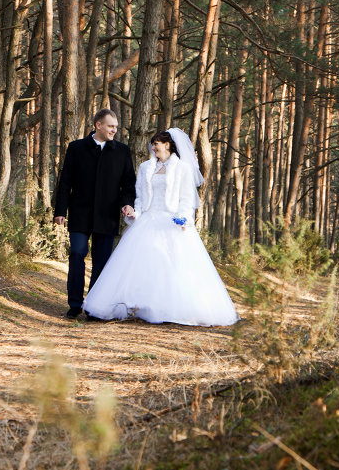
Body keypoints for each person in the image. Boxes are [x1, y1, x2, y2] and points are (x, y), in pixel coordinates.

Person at [82, 128, 238, 326]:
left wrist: (183, 218)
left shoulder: (182, 168)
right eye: (152, 143)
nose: (153, 147)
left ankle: (170, 308)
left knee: (172, 267)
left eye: (156, 143)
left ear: (168, 145)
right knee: (138, 266)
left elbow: (186, 198)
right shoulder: (146, 167)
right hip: (147, 221)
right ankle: (138, 306)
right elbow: (140, 197)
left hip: (171, 222)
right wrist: (134, 213)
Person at [53, 109, 137, 319]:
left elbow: (128, 184)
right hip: (80, 213)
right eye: (110, 126)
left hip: (107, 216)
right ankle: (74, 304)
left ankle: (94, 307)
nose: (114, 130)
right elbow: (65, 182)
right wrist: (60, 211)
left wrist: (127, 204)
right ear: (98, 125)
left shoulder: (122, 151)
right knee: (77, 253)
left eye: (116, 127)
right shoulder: (76, 148)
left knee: (101, 262)